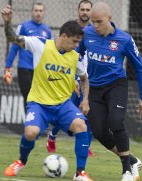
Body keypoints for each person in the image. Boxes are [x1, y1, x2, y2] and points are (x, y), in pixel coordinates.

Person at [1, 5, 95, 181]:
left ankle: (80, 173)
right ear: (64, 36)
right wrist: (8, 23)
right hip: (39, 104)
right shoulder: (40, 45)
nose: (76, 46)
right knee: (30, 133)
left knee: (82, 127)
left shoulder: (75, 56)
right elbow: (12, 38)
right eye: (74, 41)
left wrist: (85, 100)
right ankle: (21, 161)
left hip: (63, 105)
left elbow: (84, 78)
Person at [77, 2, 142, 181]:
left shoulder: (124, 40)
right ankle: (131, 160)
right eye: (92, 22)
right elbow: (75, 56)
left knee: (116, 123)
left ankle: (126, 170)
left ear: (110, 18)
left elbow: (139, 68)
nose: (95, 25)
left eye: (99, 22)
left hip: (116, 85)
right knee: (99, 132)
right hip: (93, 88)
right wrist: (75, 78)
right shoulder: (86, 34)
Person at [46, 0, 95, 157]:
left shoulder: (95, 30)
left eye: (88, 9)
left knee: (88, 111)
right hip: (71, 77)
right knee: (68, 112)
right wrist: (72, 77)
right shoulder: (71, 29)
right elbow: (63, 53)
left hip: (87, 76)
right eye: (82, 9)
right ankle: (52, 135)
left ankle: (85, 145)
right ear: (78, 11)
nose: (85, 12)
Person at [3, 2, 52, 110]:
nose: (38, 13)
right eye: (36, 10)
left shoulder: (47, 31)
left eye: (40, 11)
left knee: (38, 99)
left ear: (44, 13)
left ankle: (33, 123)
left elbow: (49, 52)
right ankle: (29, 123)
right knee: (28, 96)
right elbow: (14, 47)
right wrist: (8, 68)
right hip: (24, 68)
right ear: (32, 12)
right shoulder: (23, 27)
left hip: (39, 70)